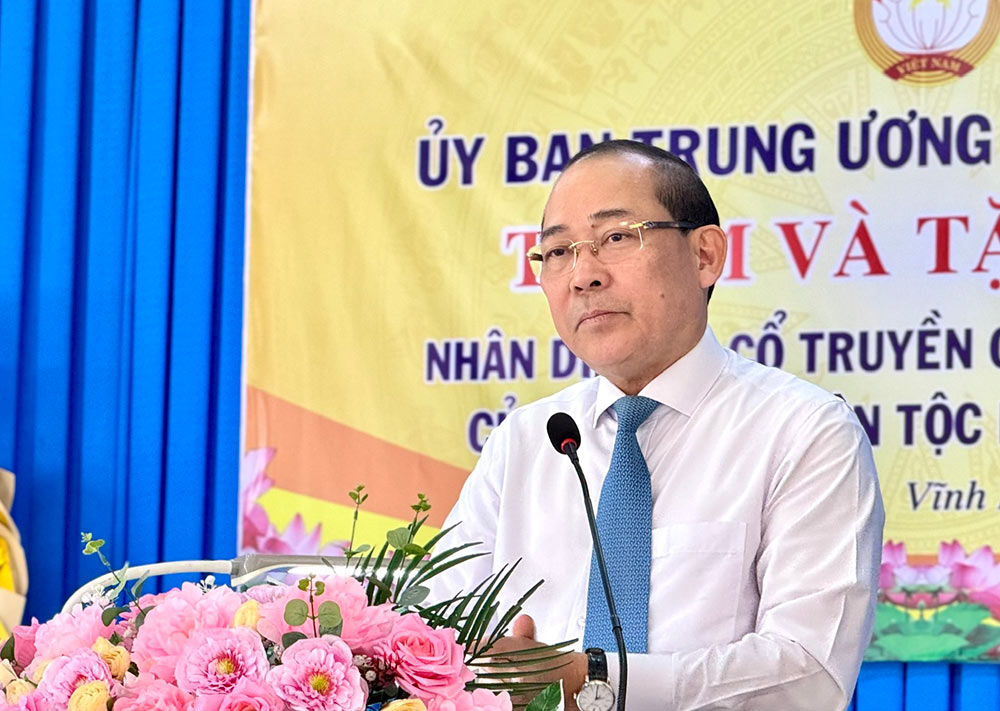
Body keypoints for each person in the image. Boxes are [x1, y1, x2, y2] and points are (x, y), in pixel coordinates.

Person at [435, 140, 884, 710]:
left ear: (705, 256)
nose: (582, 276)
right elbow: (433, 634)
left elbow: (808, 674)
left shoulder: (806, 432)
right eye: (557, 252)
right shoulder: (525, 442)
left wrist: (593, 678)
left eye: (617, 238)